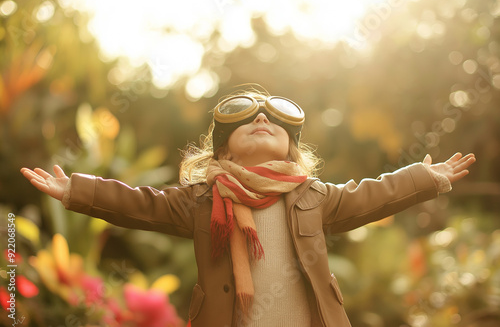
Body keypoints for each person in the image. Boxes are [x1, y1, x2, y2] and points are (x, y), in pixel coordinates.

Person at [21, 90, 476, 327]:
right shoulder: (202, 200)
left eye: (274, 123)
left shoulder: (313, 196)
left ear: (293, 154)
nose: (262, 120)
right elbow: (141, 203)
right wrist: (75, 190)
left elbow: (371, 195)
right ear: (226, 156)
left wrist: (423, 177)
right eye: (250, 122)